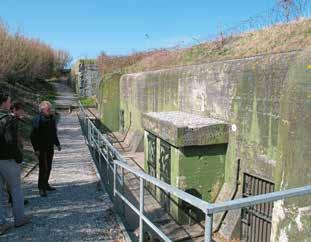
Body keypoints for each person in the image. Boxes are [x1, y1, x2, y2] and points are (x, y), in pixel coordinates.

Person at [0, 93, 31, 235]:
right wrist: (18, 157)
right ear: (5, 103)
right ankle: (19, 218)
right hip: (8, 160)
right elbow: (11, 141)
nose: (10, 103)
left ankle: (2, 223)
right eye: (9, 101)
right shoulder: (9, 120)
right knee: (15, 189)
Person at [30, 101, 61, 197]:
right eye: (48, 109)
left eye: (50, 109)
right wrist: (36, 149)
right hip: (41, 148)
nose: (50, 111)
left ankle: (46, 184)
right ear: (42, 110)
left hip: (50, 147)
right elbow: (33, 136)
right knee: (43, 168)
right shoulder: (37, 119)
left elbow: (53, 133)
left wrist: (57, 144)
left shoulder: (51, 119)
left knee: (49, 167)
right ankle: (41, 188)